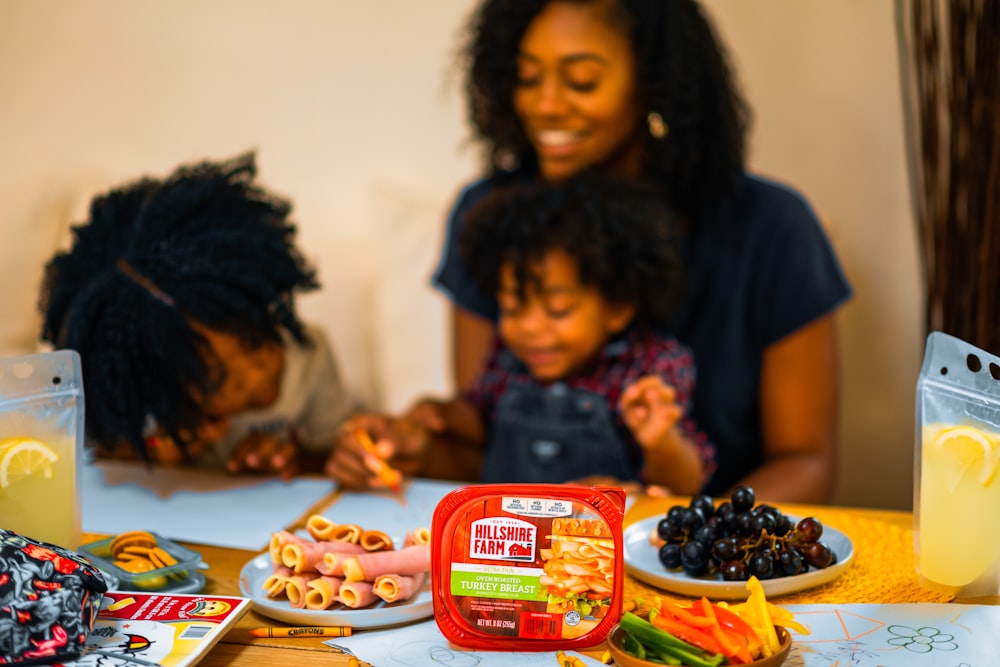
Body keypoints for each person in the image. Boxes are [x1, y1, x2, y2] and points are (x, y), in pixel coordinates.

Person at [429, 0, 851, 502]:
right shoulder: (491, 219)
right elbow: (486, 438)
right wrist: (410, 444)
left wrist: (685, 543)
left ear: (654, 83)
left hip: (711, 559)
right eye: (526, 78)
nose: (544, 105)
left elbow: (806, 461)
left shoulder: (772, 227)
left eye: (581, 80)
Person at [326, 172, 715, 495]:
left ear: (618, 307)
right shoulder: (509, 357)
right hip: (503, 547)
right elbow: (479, 419)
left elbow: (685, 486)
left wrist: (662, 441)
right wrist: (438, 414)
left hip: (598, 553)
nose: (529, 327)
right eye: (512, 308)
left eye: (558, 310)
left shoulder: (649, 366)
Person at [39, 153, 352, 477]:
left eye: (253, 343)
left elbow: (330, 456)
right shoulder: (151, 407)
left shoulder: (310, 354)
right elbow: (101, 463)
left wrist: (293, 460)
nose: (257, 376)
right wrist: (162, 453)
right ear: (170, 389)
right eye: (220, 380)